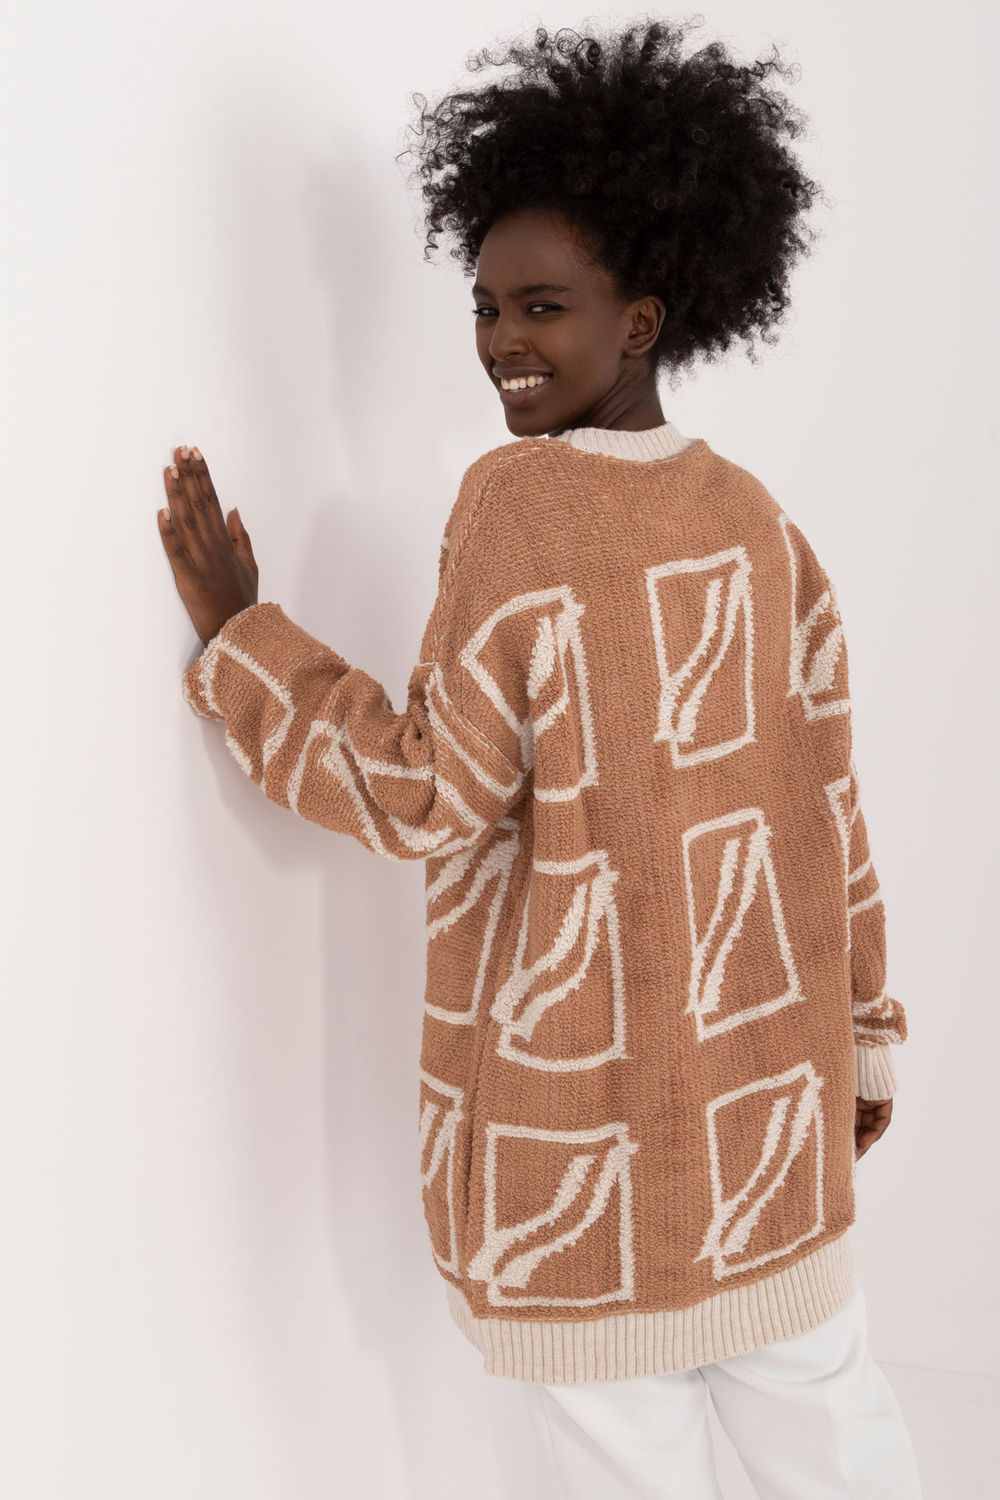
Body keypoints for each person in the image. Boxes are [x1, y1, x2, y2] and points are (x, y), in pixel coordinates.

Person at [157, 18, 921, 1498]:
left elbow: (423, 794)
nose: (503, 341)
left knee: (626, 1467)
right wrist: (864, 1031)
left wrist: (247, 642)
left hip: (591, 1144)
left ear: (642, 318)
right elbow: (828, 804)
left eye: (544, 307)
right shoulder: (759, 520)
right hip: (772, 1115)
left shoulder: (516, 509)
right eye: (487, 305)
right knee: (839, 1439)